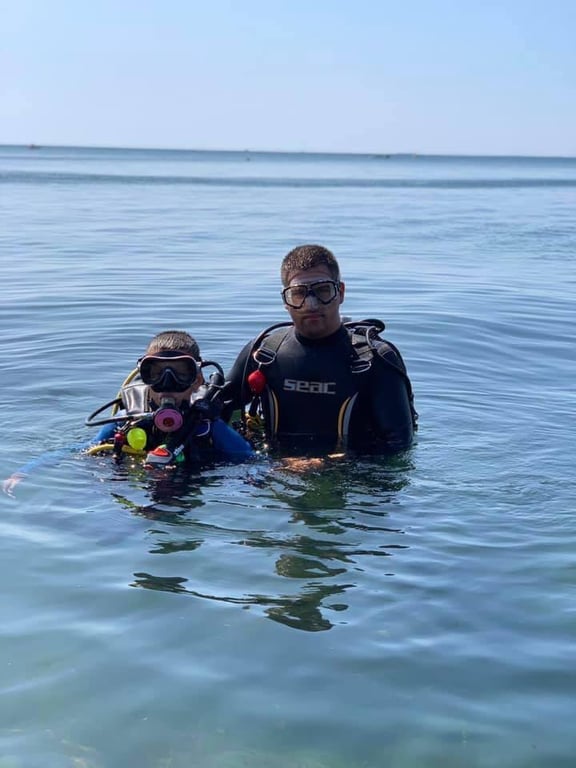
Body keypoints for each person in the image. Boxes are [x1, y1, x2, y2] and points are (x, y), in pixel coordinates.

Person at [3, 330, 253, 496]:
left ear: (197, 380)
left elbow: (250, 460)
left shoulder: (206, 424)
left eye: (180, 374)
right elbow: (77, 451)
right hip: (138, 488)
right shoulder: (128, 420)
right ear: (145, 378)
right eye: (156, 374)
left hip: (194, 488)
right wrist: (27, 470)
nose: (168, 385)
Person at [222, 244, 417, 455]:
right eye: (298, 294)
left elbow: (398, 448)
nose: (311, 304)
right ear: (285, 301)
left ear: (340, 292)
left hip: (349, 482)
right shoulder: (264, 354)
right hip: (274, 474)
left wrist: (325, 466)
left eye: (323, 290)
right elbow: (216, 411)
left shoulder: (373, 361)